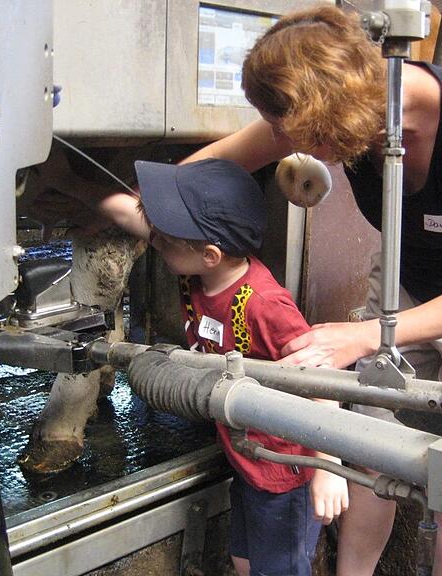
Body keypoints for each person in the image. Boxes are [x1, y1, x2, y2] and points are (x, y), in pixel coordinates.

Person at [177, 5, 442, 576]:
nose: (278, 140)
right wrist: (150, 201)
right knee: (368, 440)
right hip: (408, 276)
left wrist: (361, 335)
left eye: (286, 126)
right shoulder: (351, 109)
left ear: (332, 113)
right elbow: (218, 162)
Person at [49, 157, 349, 576]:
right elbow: (128, 213)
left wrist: (330, 468)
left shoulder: (264, 305)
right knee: (245, 560)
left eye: (165, 236)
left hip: (287, 473)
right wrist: (69, 179)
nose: (153, 239)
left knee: (279, 569)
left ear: (208, 254)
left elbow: (324, 380)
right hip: (247, 457)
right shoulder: (202, 270)